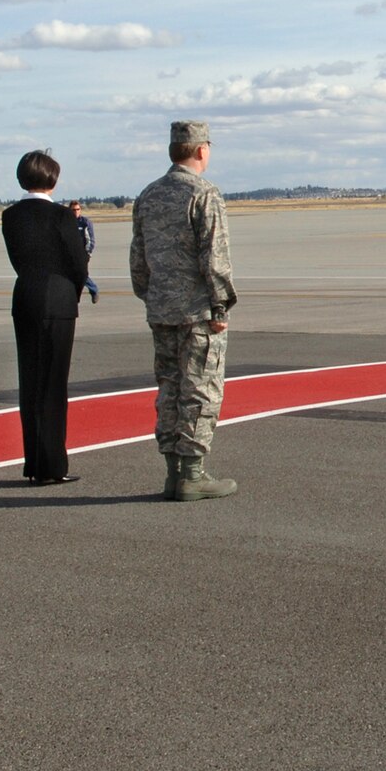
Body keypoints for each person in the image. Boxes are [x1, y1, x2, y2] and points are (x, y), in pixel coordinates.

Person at [130, 120, 238, 502]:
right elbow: (215, 257)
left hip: (161, 309)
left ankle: (173, 473)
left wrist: (152, 295)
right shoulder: (204, 193)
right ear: (201, 150)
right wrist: (220, 303)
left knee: (170, 389)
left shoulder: (149, 195)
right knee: (200, 390)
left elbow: (138, 260)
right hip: (196, 312)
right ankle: (192, 474)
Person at [3, 152, 89, 485]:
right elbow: (78, 262)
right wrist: (73, 291)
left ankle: (34, 462)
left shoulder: (11, 216)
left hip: (25, 294)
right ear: (52, 179)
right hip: (58, 297)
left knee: (31, 382)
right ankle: (52, 465)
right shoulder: (61, 216)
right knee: (53, 384)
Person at [69, 200, 99, 303]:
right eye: (73, 210)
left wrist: (88, 253)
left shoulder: (85, 222)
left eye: (78, 209)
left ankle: (93, 289)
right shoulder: (67, 222)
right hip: (70, 254)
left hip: (82, 254)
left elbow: (91, 240)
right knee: (71, 275)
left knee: (82, 275)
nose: (76, 212)